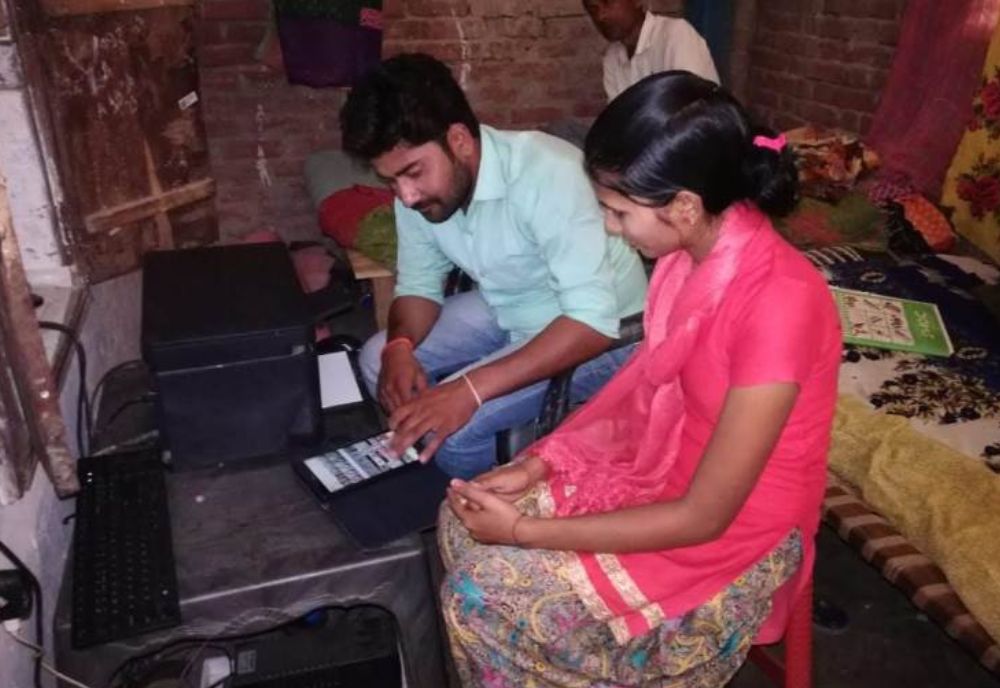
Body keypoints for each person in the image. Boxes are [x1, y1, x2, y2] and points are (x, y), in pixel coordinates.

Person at [438, 71, 842, 687]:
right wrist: (542, 466)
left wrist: (527, 531)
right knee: (461, 519)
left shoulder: (779, 302)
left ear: (683, 204)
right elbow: (642, 395)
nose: (608, 226)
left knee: (482, 591)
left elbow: (706, 515)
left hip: (738, 530)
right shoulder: (687, 261)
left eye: (618, 210)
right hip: (671, 471)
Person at [340, 53, 648, 480]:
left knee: (453, 434)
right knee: (376, 360)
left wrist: (466, 391)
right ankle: (433, 464)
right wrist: (400, 347)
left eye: (413, 173)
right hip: (510, 306)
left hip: (609, 335)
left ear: (460, 140)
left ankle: (504, 500)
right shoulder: (415, 198)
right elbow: (418, 284)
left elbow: (591, 322)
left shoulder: (548, 172)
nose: (406, 196)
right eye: (391, 181)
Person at [584, 0, 719, 100]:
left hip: (694, 135)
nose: (601, 16)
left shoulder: (675, 35)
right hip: (643, 136)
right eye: (593, 9)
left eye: (608, 2)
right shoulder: (612, 57)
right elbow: (619, 118)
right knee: (567, 130)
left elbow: (692, 112)